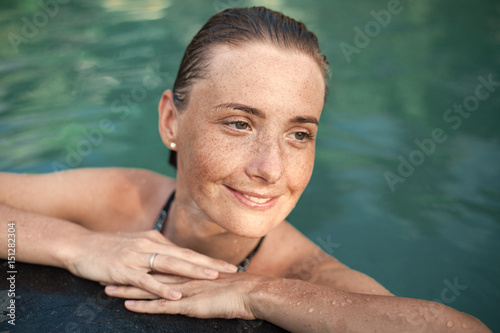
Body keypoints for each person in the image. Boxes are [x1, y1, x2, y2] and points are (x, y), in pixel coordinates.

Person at [0, 6, 491, 333]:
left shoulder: (307, 272)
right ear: (172, 120)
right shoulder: (122, 198)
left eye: (300, 134)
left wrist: (259, 293)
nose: (271, 169)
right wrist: (78, 245)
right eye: (238, 123)